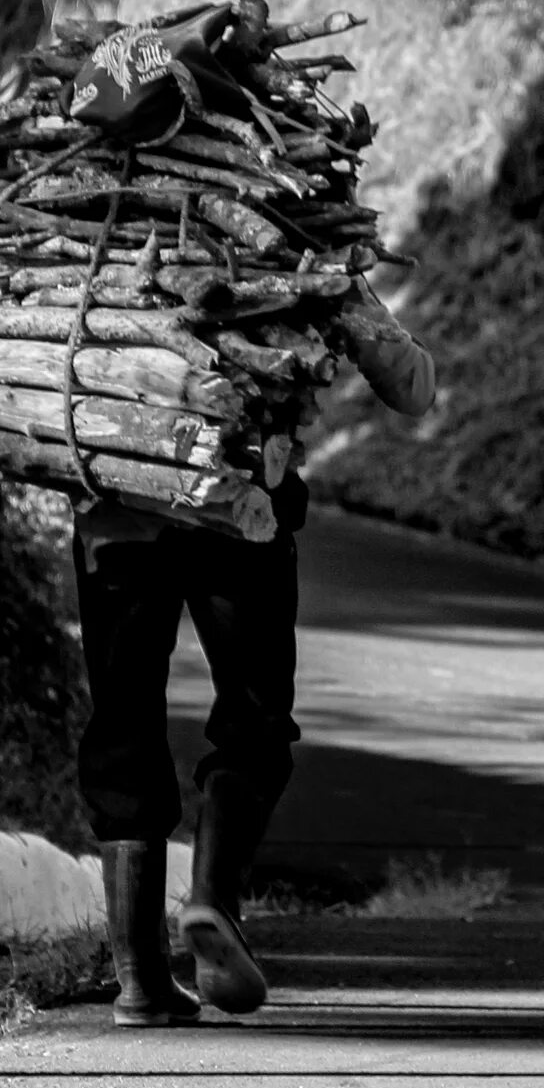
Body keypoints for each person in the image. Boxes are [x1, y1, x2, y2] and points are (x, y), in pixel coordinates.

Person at [90, 287, 436, 1026]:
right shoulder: (287, 245)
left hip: (115, 513)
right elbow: (411, 388)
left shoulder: (99, 251)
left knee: (123, 724)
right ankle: (214, 901)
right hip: (239, 509)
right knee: (254, 718)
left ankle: (139, 983)